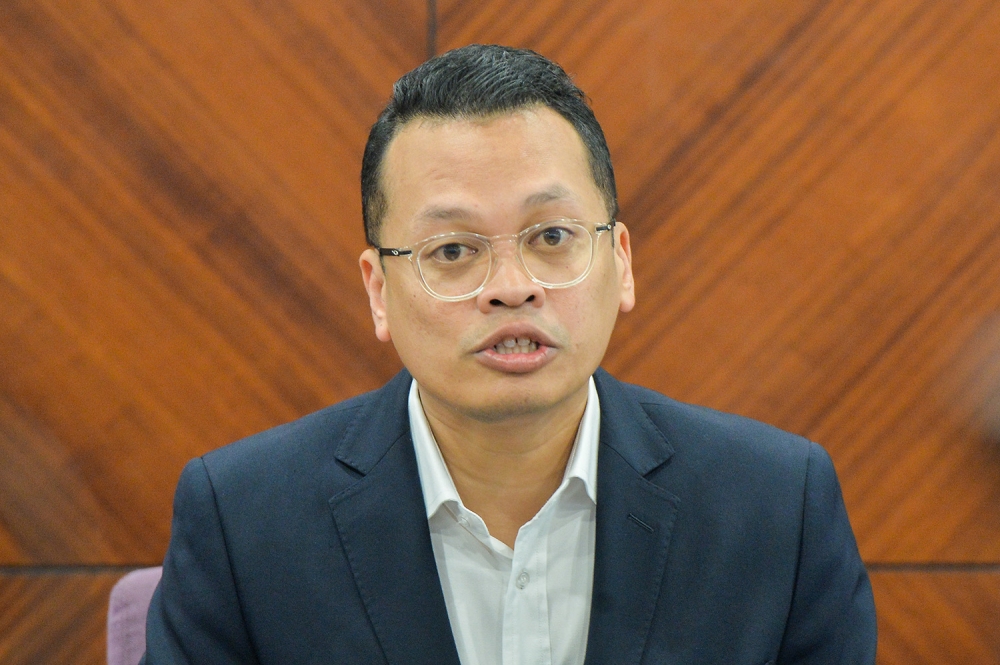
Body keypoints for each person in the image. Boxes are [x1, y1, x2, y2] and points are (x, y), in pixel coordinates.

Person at [142, 44, 877, 664]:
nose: (511, 288)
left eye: (551, 237)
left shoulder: (779, 509)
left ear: (620, 261)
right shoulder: (243, 522)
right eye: (453, 250)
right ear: (378, 289)